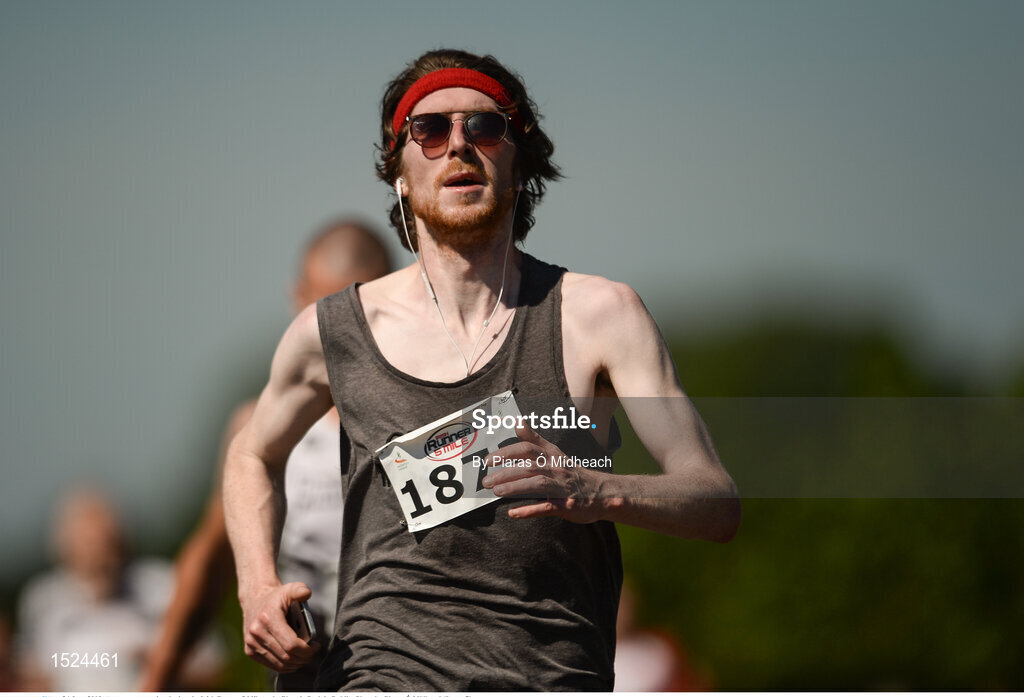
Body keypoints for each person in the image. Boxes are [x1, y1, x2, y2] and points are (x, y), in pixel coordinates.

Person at [223, 48, 741, 691]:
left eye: (485, 127)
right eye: (431, 131)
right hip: (379, 674)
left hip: (547, 675)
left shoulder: (599, 316)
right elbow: (251, 454)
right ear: (400, 175)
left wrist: (591, 489)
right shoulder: (333, 333)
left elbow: (714, 502)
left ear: (519, 165)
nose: (459, 146)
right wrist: (257, 586)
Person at [138, 220, 391, 691]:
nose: (335, 335)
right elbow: (211, 562)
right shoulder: (257, 436)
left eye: (355, 314)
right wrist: (157, 681)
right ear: (297, 298)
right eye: (322, 312)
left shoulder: (431, 421)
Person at [17, 489, 222, 691]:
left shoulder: (162, 586)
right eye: (88, 545)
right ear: (65, 549)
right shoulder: (42, 601)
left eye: (107, 542)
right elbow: (32, 675)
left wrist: (160, 664)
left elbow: (214, 669)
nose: (100, 556)